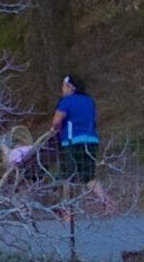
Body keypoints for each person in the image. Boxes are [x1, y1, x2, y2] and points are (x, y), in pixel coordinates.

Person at [40, 74, 106, 208]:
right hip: (91, 141)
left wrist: (54, 131)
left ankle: (66, 208)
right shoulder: (89, 101)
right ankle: (106, 201)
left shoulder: (67, 101)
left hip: (72, 142)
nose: (62, 90)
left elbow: (56, 122)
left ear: (71, 87)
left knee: (66, 176)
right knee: (89, 176)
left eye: (64, 87)